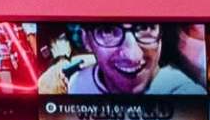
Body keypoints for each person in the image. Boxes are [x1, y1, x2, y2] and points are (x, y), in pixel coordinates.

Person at [38, 19, 198, 97]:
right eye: (108, 30)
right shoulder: (71, 84)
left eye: (145, 27)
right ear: (86, 40)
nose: (133, 56)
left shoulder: (185, 92)